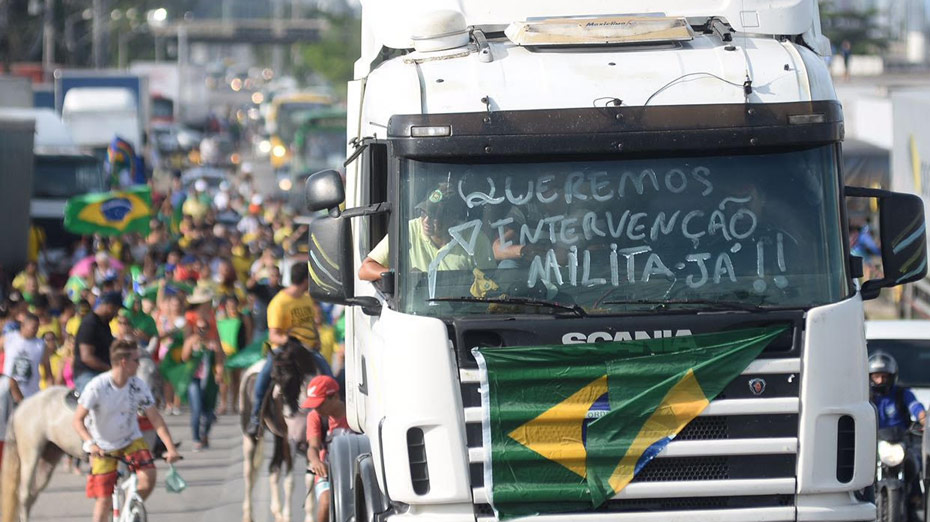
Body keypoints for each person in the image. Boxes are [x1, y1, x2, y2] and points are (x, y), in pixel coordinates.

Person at [73, 340, 181, 522]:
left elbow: (155, 418)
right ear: (124, 362)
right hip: (102, 445)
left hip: (131, 440)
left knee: (149, 477)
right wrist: (91, 444)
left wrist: (171, 448)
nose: (139, 364)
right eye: (136, 360)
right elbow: (77, 420)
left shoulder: (138, 385)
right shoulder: (97, 386)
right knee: (103, 502)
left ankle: (129, 509)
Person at [246, 262, 329, 438]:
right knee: (264, 376)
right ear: (305, 280)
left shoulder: (306, 299)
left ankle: (333, 415)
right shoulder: (279, 303)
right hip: (285, 349)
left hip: (309, 349)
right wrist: (291, 341)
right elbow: (274, 335)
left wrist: (316, 339)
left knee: (328, 375)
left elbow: (311, 325)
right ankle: (255, 418)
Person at [359, 183, 494, 282]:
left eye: (435, 216)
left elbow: (490, 281)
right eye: (424, 212)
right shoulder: (408, 231)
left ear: (453, 217)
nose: (426, 220)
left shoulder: (475, 239)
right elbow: (365, 269)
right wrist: (400, 276)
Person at [869, 351, 925, 518]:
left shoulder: (902, 394)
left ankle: (916, 497)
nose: (880, 381)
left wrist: (924, 419)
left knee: (915, 463)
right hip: (874, 443)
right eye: (876, 377)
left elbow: (917, 408)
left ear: (892, 377)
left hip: (901, 442)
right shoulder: (866, 396)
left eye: (884, 377)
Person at [304, 375, 351, 522]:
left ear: (335, 396)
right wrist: (316, 461)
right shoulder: (315, 417)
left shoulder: (355, 413)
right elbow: (313, 447)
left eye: (320, 404)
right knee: (326, 502)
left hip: (354, 470)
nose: (316, 409)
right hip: (327, 471)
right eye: (313, 405)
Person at [181, 317, 224, 451]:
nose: (201, 331)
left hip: (209, 381)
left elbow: (219, 362)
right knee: (197, 409)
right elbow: (184, 358)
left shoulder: (213, 343)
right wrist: (193, 346)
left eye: (204, 328)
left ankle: (205, 434)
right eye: (199, 328)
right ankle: (196, 438)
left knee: (209, 412)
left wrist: (219, 374)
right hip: (194, 380)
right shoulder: (191, 341)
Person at [74, 292, 120, 392]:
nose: (116, 314)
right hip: (87, 374)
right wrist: (111, 369)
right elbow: (87, 357)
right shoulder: (89, 323)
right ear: (109, 306)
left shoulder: (104, 324)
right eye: (116, 310)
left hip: (102, 374)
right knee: (97, 401)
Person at [2, 313, 51, 399]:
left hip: (30, 395)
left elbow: (48, 373)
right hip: (7, 393)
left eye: (37, 327)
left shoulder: (41, 345)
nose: (36, 330)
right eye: (33, 328)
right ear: (23, 325)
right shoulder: (9, 338)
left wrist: (49, 392)